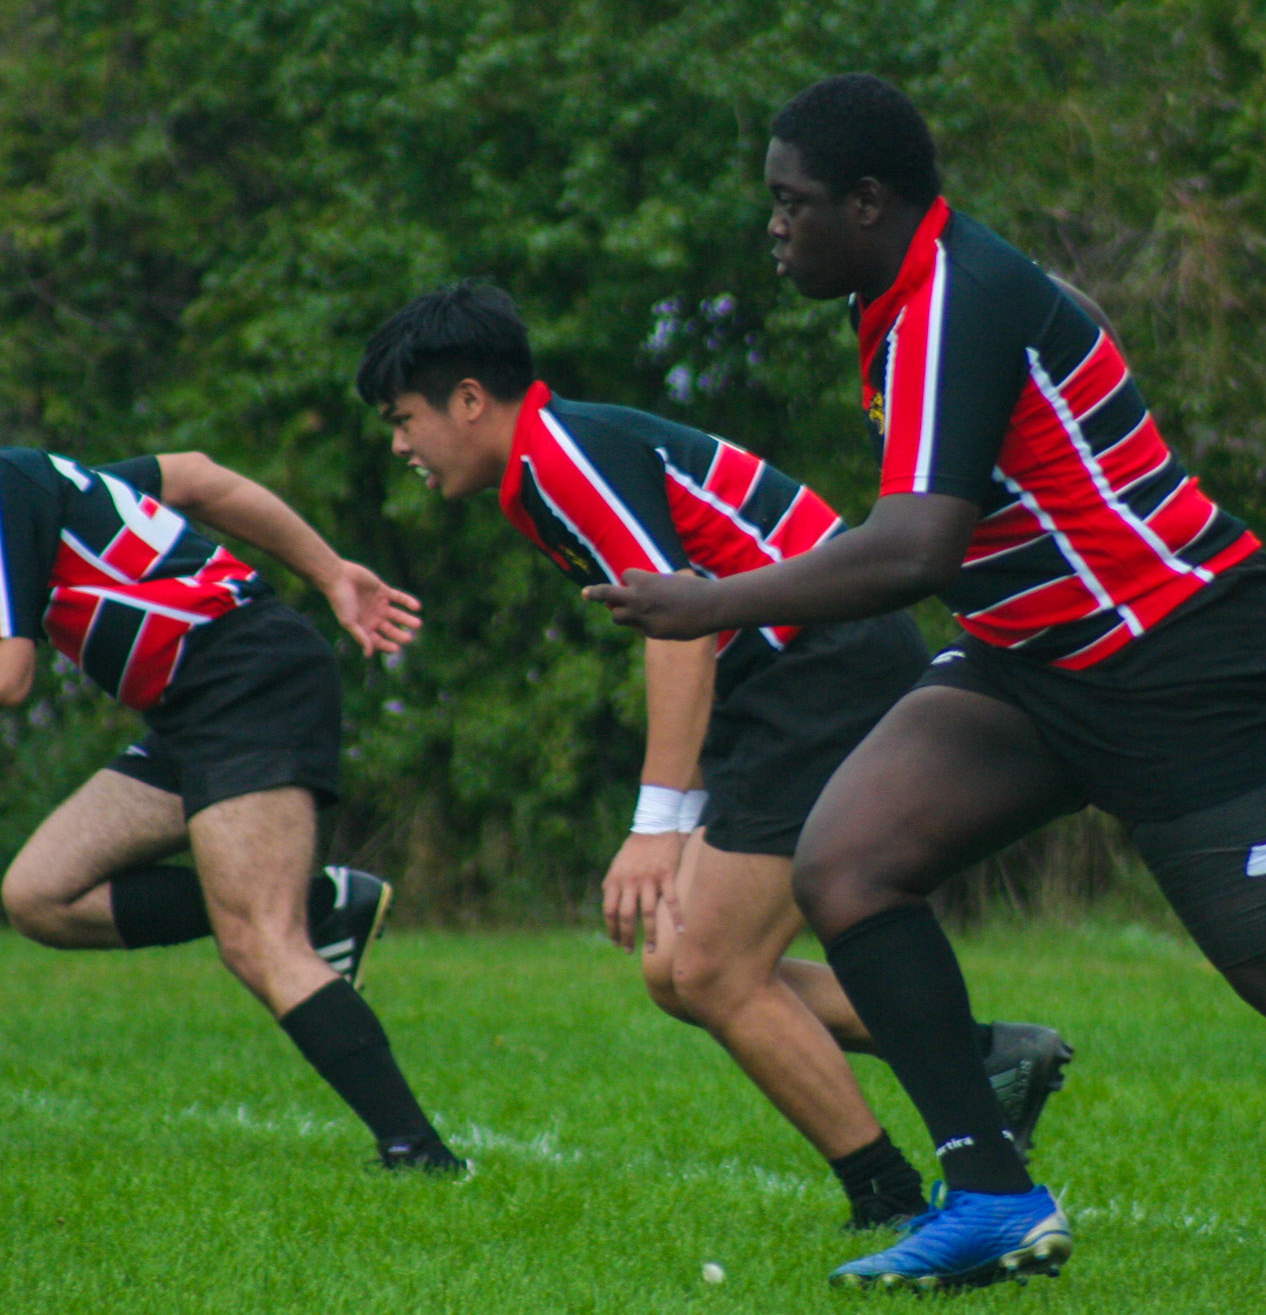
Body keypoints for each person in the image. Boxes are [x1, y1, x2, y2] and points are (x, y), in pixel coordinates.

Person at [582, 72, 1266, 1309]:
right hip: (1037, 657)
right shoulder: (909, 293)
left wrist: (708, 597)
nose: (774, 225)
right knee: (846, 862)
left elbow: (911, 549)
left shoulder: (952, 298)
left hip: (1172, 651)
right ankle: (987, 1198)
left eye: (790, 201)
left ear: (868, 203)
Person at [353, 281, 1071, 1229]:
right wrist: (684, 810)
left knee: (710, 965)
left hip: (818, 666)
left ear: (472, 400)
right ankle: (986, 1055)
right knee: (677, 969)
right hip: (782, 678)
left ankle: (892, 1200)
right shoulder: (545, 466)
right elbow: (694, 625)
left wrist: (658, 826)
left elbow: (679, 624)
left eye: (405, 418)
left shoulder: (562, 456)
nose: (399, 444)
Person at [0, 447, 462, 1171]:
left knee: (259, 941)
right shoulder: (37, 483)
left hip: (246, 677)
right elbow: (196, 475)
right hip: (194, 706)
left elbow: (10, 676)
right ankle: (320, 905)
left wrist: (334, 574)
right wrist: (332, 572)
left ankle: (422, 1155)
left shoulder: (4, 488)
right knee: (40, 896)